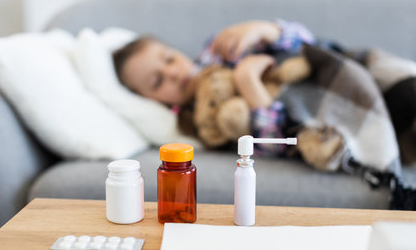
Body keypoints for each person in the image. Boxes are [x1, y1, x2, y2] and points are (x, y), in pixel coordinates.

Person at [113, 19, 315, 155]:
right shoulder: (201, 123)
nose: (173, 73)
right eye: (157, 82)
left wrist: (262, 30)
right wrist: (248, 81)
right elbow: (274, 145)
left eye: (169, 59)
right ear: (150, 101)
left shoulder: (218, 50)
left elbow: (309, 44)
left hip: (317, 75)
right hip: (311, 121)